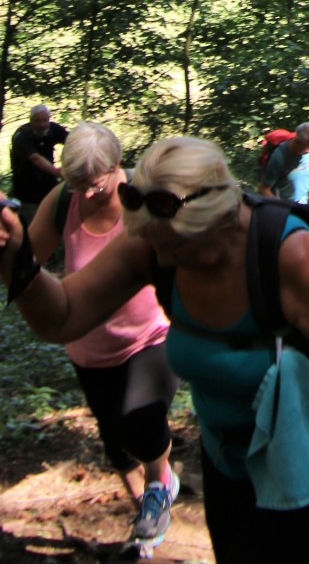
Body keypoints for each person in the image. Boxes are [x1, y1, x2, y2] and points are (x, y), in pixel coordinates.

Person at [1, 133, 309, 564]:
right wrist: (15, 258)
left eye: (177, 248)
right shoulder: (156, 236)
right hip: (228, 458)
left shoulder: (292, 256)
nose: (164, 260)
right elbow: (63, 316)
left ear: (217, 219)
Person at [27, 123, 180, 558]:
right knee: (117, 445)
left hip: (151, 336)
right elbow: (28, 261)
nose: (88, 194)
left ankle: (160, 485)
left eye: (95, 185)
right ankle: (145, 524)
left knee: (141, 419)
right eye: (78, 185)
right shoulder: (64, 201)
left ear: (117, 166)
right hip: (88, 347)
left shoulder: (145, 198)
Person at [10, 103, 69, 219]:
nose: (42, 124)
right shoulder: (22, 136)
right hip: (27, 193)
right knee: (33, 222)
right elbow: (35, 158)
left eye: (44, 120)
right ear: (31, 120)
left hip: (49, 189)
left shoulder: (53, 129)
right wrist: (57, 172)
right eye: (37, 121)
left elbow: (72, 141)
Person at [263, 124, 309, 203]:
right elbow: (264, 189)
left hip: (305, 203)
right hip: (286, 205)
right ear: (298, 142)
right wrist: (280, 207)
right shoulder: (279, 156)